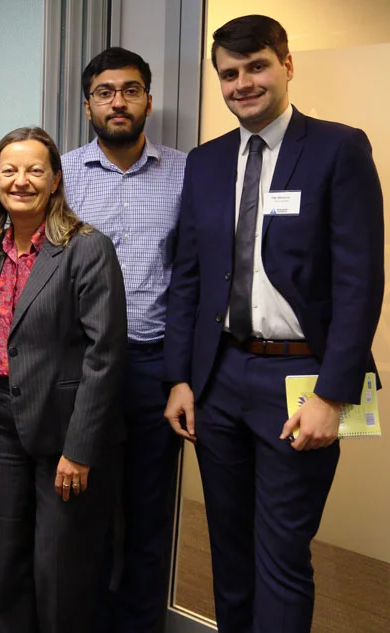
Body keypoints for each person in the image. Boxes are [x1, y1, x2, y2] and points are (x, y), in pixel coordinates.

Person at [163, 15, 383, 633]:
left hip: (302, 379)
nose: (242, 84)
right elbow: (188, 278)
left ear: (287, 64)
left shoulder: (338, 148)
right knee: (228, 551)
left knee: (282, 555)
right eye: (229, 74)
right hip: (220, 377)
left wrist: (333, 395)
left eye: (256, 66)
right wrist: (180, 380)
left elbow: (360, 283)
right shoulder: (204, 163)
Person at [0, 126, 127, 633]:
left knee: (59, 573)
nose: (22, 180)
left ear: (56, 180)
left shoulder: (86, 248)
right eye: (10, 170)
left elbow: (104, 356)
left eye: (35, 170)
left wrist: (80, 449)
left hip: (63, 434)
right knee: (8, 566)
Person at [60, 47, 186, 633]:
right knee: (84, 515)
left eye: (130, 90)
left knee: (148, 514)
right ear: (88, 103)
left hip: (157, 368)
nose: (118, 102)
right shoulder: (59, 176)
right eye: (105, 92)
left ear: (148, 101)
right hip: (85, 370)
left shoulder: (189, 173)